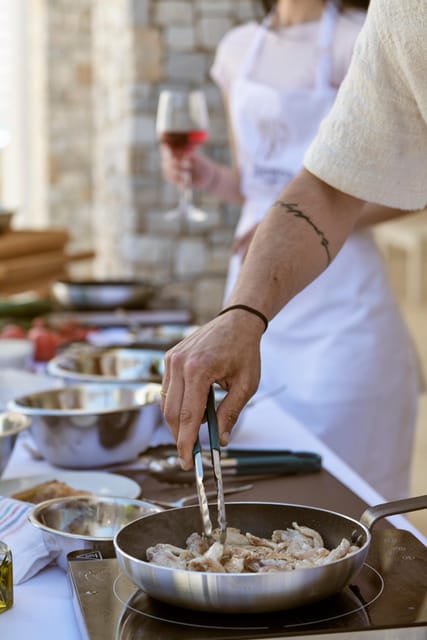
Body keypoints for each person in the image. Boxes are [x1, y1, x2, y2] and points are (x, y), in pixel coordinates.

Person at [160, 0, 423, 499]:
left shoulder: (364, 33)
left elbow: (389, 189)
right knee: (266, 499)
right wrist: (213, 181)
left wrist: (275, 221)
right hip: (263, 288)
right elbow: (285, 183)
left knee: (354, 492)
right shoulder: (239, 49)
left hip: (344, 306)